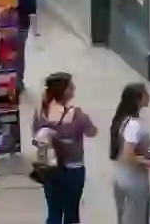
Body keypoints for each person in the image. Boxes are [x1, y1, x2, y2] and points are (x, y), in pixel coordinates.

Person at [32, 72, 98, 224]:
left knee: (53, 212)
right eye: (70, 86)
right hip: (73, 168)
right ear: (62, 91)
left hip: (50, 167)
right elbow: (92, 132)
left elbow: (36, 135)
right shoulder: (76, 115)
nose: (74, 88)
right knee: (71, 213)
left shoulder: (41, 112)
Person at [111, 83, 150, 224]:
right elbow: (127, 155)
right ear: (138, 99)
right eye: (146, 94)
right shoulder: (134, 125)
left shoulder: (123, 120)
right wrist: (149, 162)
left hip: (121, 178)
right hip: (134, 182)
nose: (149, 96)